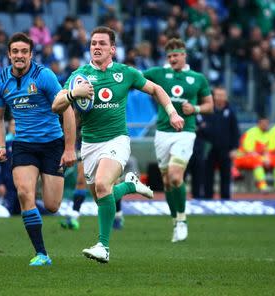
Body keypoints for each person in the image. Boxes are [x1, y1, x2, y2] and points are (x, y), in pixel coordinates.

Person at [52, 26, 184, 263]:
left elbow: (155, 89)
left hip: (117, 140)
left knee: (103, 185)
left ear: (112, 49)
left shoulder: (126, 73)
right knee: (103, 195)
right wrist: (73, 93)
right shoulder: (80, 76)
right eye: (93, 43)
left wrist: (172, 112)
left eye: (102, 43)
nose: (96, 47)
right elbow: (56, 105)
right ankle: (131, 185)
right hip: (90, 144)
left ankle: (103, 246)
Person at [0, 32, 76, 266]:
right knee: (24, 193)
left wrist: (69, 148)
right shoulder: (0, 81)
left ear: (30, 54)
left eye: (24, 51)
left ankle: (48, 237)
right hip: (23, 145)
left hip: (52, 145)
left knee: (52, 205)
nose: (19, 55)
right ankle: (41, 254)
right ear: (9, 54)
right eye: (15, 51)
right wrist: (0, 144)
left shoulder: (45, 76)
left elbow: (66, 109)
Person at [143, 38, 214, 243]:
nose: (173, 59)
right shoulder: (158, 73)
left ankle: (182, 221)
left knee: (175, 176)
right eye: (170, 56)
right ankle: (175, 220)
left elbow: (209, 105)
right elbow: (134, 79)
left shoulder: (198, 78)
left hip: (185, 132)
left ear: (184, 55)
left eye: (176, 55)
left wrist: (196, 109)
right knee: (166, 182)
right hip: (163, 133)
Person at [202, 86, 240, 199]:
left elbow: (235, 131)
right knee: (208, 175)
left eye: (222, 95)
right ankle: (207, 198)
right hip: (209, 148)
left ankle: (225, 199)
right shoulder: (208, 110)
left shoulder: (230, 112)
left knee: (226, 175)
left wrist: (234, 148)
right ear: (213, 96)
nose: (220, 98)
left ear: (226, 97)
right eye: (218, 95)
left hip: (225, 149)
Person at [233, 117, 275, 193]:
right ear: (258, 124)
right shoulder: (251, 133)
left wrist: (267, 158)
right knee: (256, 161)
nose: (265, 125)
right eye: (263, 123)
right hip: (242, 157)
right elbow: (250, 151)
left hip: (259, 158)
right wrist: (264, 159)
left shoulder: (269, 134)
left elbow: (268, 150)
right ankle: (262, 186)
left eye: (267, 123)